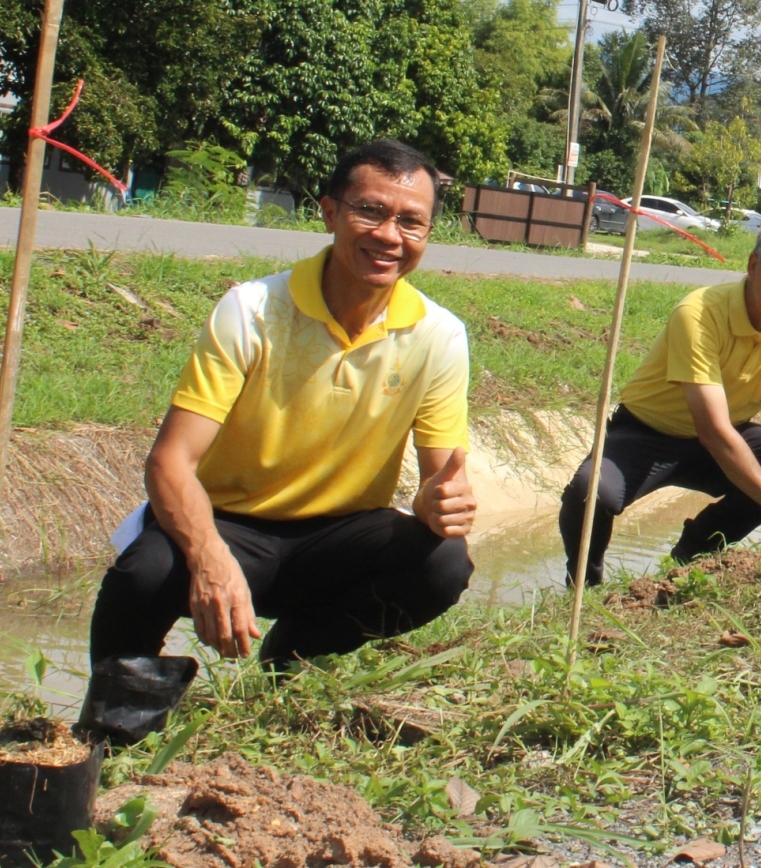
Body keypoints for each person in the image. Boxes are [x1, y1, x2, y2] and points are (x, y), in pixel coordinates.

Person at [89, 139, 477, 677]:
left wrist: (442, 505)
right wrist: (209, 558)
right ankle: (115, 714)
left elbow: (441, 485)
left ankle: (292, 656)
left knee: (442, 563)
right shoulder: (252, 310)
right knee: (146, 572)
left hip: (339, 537)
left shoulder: (439, 335)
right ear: (329, 213)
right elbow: (169, 463)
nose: (390, 235)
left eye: (412, 222)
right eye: (370, 211)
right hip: (230, 524)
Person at [559, 215, 761, 586]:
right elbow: (714, 431)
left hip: (725, 434)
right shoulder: (700, 313)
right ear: (754, 266)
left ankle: (693, 556)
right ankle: (584, 583)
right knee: (590, 492)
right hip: (650, 433)